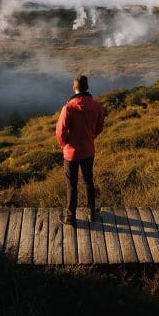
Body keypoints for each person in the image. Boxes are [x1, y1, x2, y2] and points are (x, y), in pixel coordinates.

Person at [55, 74, 105, 226]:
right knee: (89, 181)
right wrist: (90, 138)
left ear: (74, 87)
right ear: (87, 87)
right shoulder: (97, 106)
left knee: (72, 185)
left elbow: (60, 131)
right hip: (88, 151)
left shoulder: (68, 108)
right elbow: (99, 127)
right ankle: (92, 213)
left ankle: (71, 217)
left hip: (71, 153)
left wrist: (65, 145)